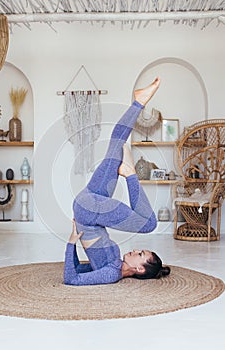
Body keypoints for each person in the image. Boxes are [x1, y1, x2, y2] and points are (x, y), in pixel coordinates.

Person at [64, 77, 170, 286]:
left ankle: (130, 174)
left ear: (139, 269)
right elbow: (79, 269)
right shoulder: (114, 264)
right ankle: (139, 102)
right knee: (117, 144)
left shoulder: (111, 274)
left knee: (149, 224)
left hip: (89, 209)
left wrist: (71, 243)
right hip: (90, 203)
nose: (135, 250)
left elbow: (71, 278)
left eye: (140, 253)